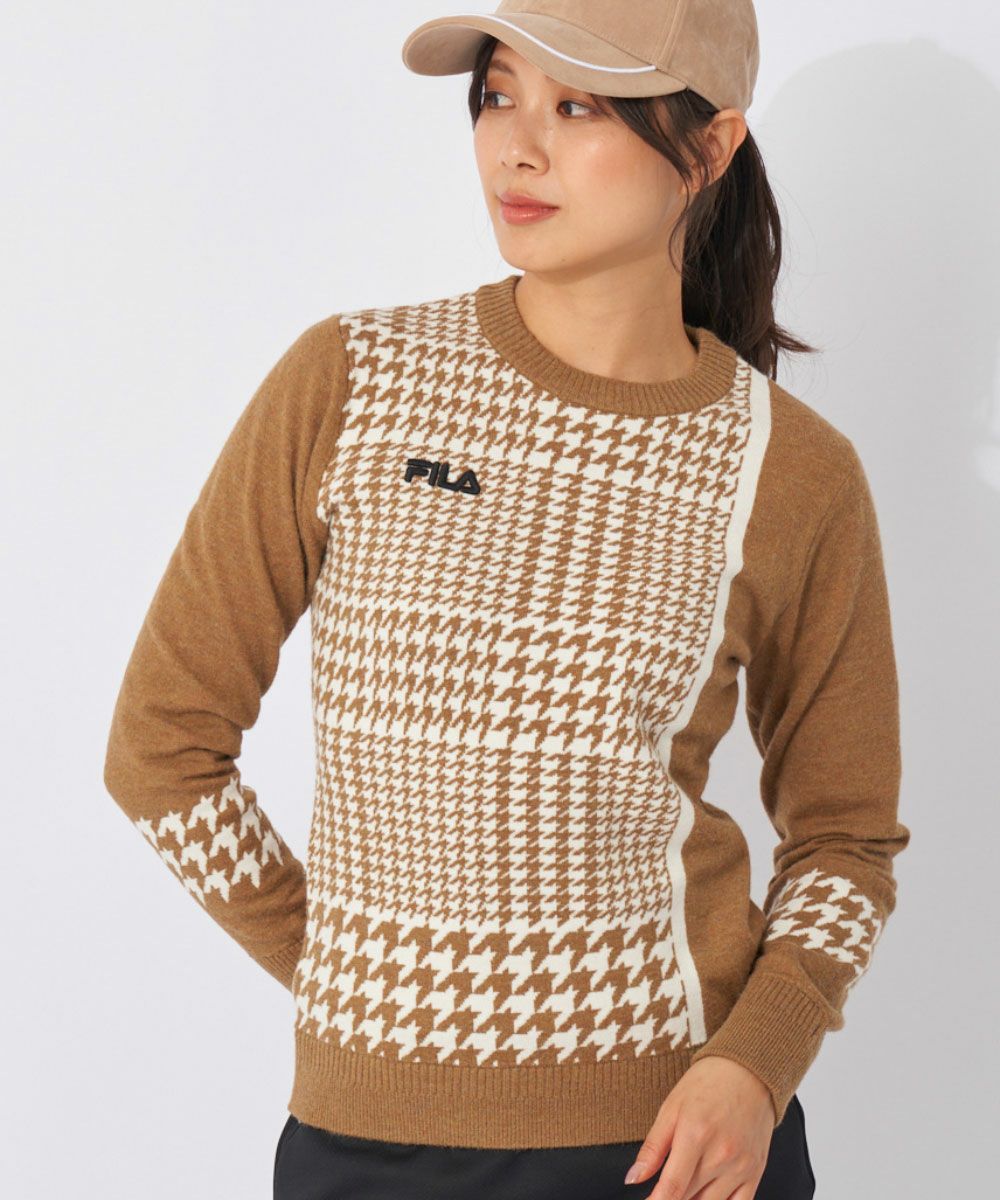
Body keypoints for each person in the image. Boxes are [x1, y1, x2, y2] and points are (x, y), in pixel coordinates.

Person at [102, 2, 909, 1198]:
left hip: (675, 1144)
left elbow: (845, 841)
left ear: (709, 147)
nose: (516, 147)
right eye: (496, 96)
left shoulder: (791, 471)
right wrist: (350, 976)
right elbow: (159, 751)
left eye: (577, 106)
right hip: (366, 1148)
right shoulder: (353, 381)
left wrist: (756, 1065)